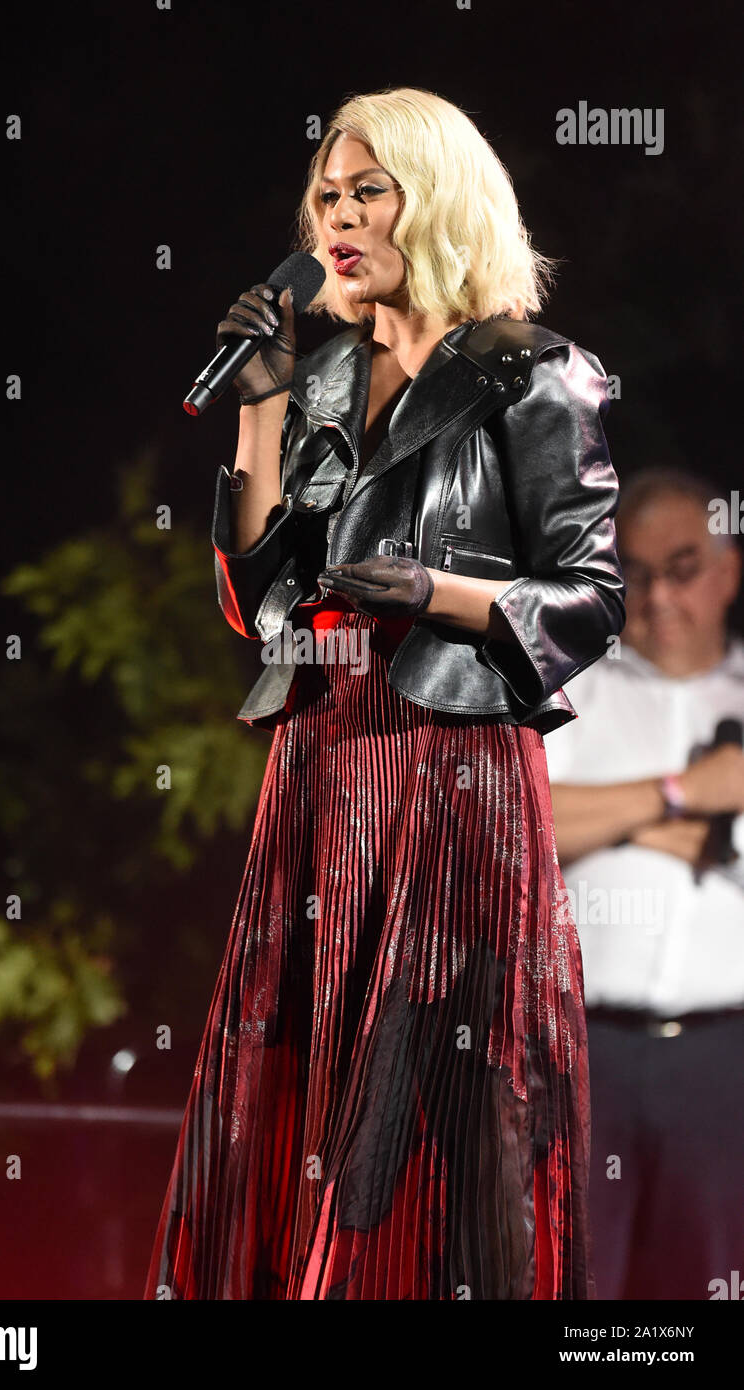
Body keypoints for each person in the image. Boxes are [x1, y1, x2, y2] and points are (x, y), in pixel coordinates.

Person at [144, 86, 625, 1301]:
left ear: (439, 197)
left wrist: (440, 593)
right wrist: (259, 397)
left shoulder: (536, 376)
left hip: (452, 773)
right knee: (297, 1086)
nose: (338, 216)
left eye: (368, 191)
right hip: (321, 762)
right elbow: (259, 605)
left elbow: (590, 599)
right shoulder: (319, 378)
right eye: (326, 194)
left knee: (437, 1108)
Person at [544, 466, 744, 1299]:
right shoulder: (574, 691)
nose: (658, 595)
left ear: (730, 567)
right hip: (585, 1054)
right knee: (573, 1284)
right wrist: (682, 797)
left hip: (722, 1063)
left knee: (707, 1284)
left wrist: (616, 818)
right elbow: (524, 827)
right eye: (637, 571)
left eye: (683, 567)